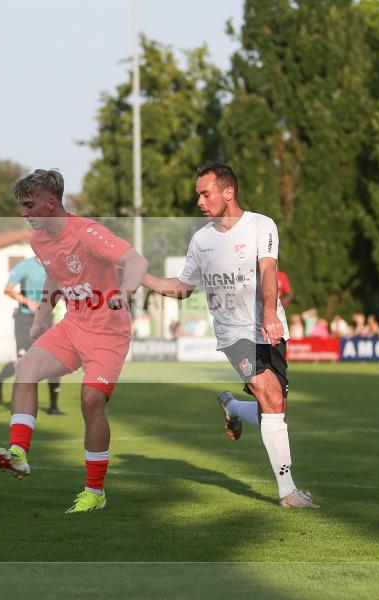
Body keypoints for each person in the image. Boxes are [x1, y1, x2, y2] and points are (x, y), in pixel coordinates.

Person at [142, 162, 317, 509]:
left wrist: (269, 313)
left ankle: (233, 407)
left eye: (205, 194)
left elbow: (269, 271)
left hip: (270, 326)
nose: (199, 202)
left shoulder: (260, 225)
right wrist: (142, 279)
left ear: (228, 192)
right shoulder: (201, 240)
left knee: (277, 409)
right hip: (232, 333)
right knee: (270, 396)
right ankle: (289, 493)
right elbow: (182, 288)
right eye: (198, 195)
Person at [0, 168, 148, 514]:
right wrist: (41, 320)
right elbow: (54, 275)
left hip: (108, 331)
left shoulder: (88, 232)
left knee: (91, 400)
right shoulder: (39, 240)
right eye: (21, 206)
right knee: (27, 367)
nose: (24, 213)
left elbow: (136, 260)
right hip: (74, 324)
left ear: (50, 203)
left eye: (29, 205)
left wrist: (126, 291)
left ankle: (95, 492)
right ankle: (18, 453)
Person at [0, 256, 62, 415]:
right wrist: (26, 300)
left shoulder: (55, 265)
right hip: (25, 320)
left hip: (46, 319)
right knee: (22, 362)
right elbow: (7, 289)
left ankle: (53, 406)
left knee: (55, 359)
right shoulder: (25, 266)